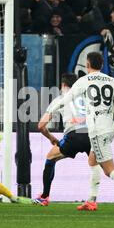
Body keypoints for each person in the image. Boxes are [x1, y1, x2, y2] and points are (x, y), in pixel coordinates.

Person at [46, 52, 114, 212]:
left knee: (109, 169)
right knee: (93, 161)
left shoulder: (83, 81)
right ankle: (91, 200)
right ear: (102, 65)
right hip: (109, 128)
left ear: (87, 65)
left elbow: (66, 99)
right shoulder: (111, 80)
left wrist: (51, 110)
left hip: (97, 130)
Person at [34, 73, 103, 211]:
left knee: (50, 158)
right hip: (92, 135)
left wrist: (51, 138)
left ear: (63, 85)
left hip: (74, 136)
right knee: (108, 168)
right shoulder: (87, 98)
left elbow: (41, 125)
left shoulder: (60, 99)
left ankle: (45, 196)